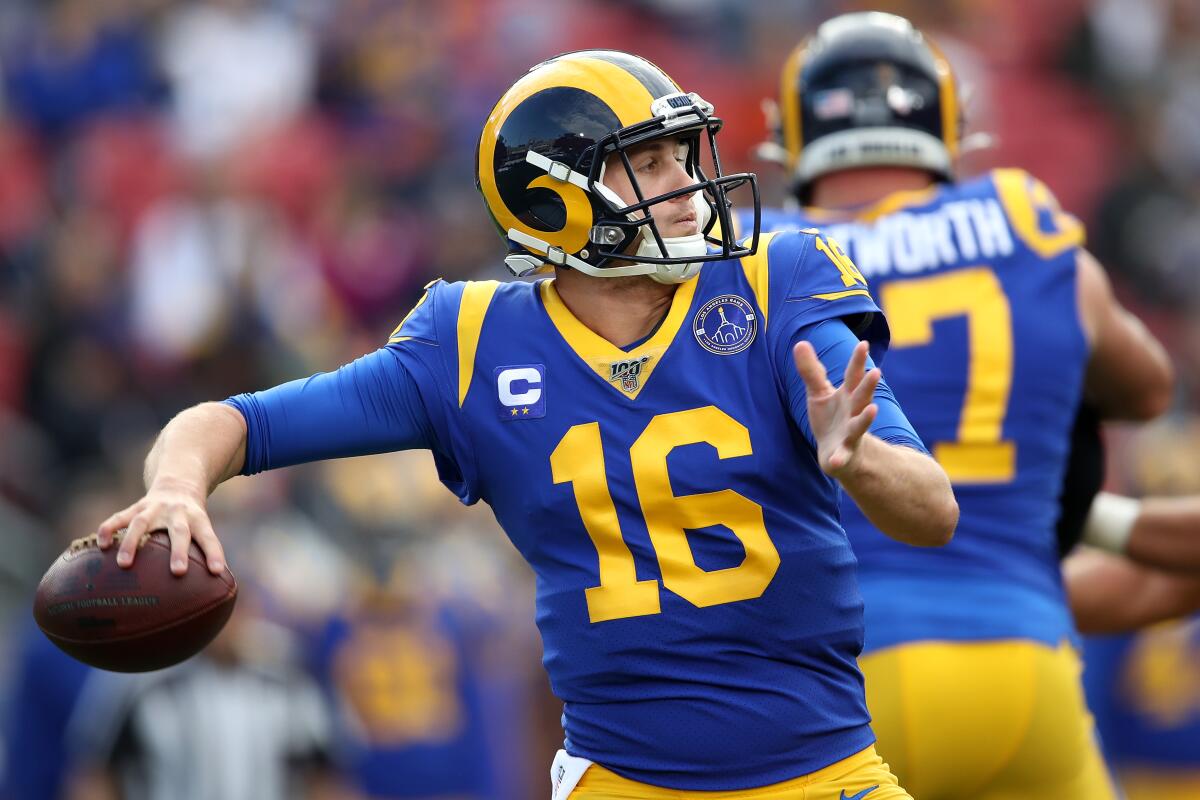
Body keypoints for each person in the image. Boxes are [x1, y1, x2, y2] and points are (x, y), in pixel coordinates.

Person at [92, 49, 958, 798]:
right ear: (554, 199)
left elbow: (933, 512)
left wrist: (859, 463)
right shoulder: (467, 345)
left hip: (827, 770)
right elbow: (231, 422)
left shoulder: (779, 282)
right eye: (650, 165)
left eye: (684, 159)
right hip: (624, 782)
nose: (691, 189)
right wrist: (176, 488)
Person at [746, 11, 1174, 800]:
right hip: (1022, 666)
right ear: (949, 125)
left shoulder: (752, 260)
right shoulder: (1024, 226)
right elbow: (1148, 389)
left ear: (793, 138)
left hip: (829, 682)